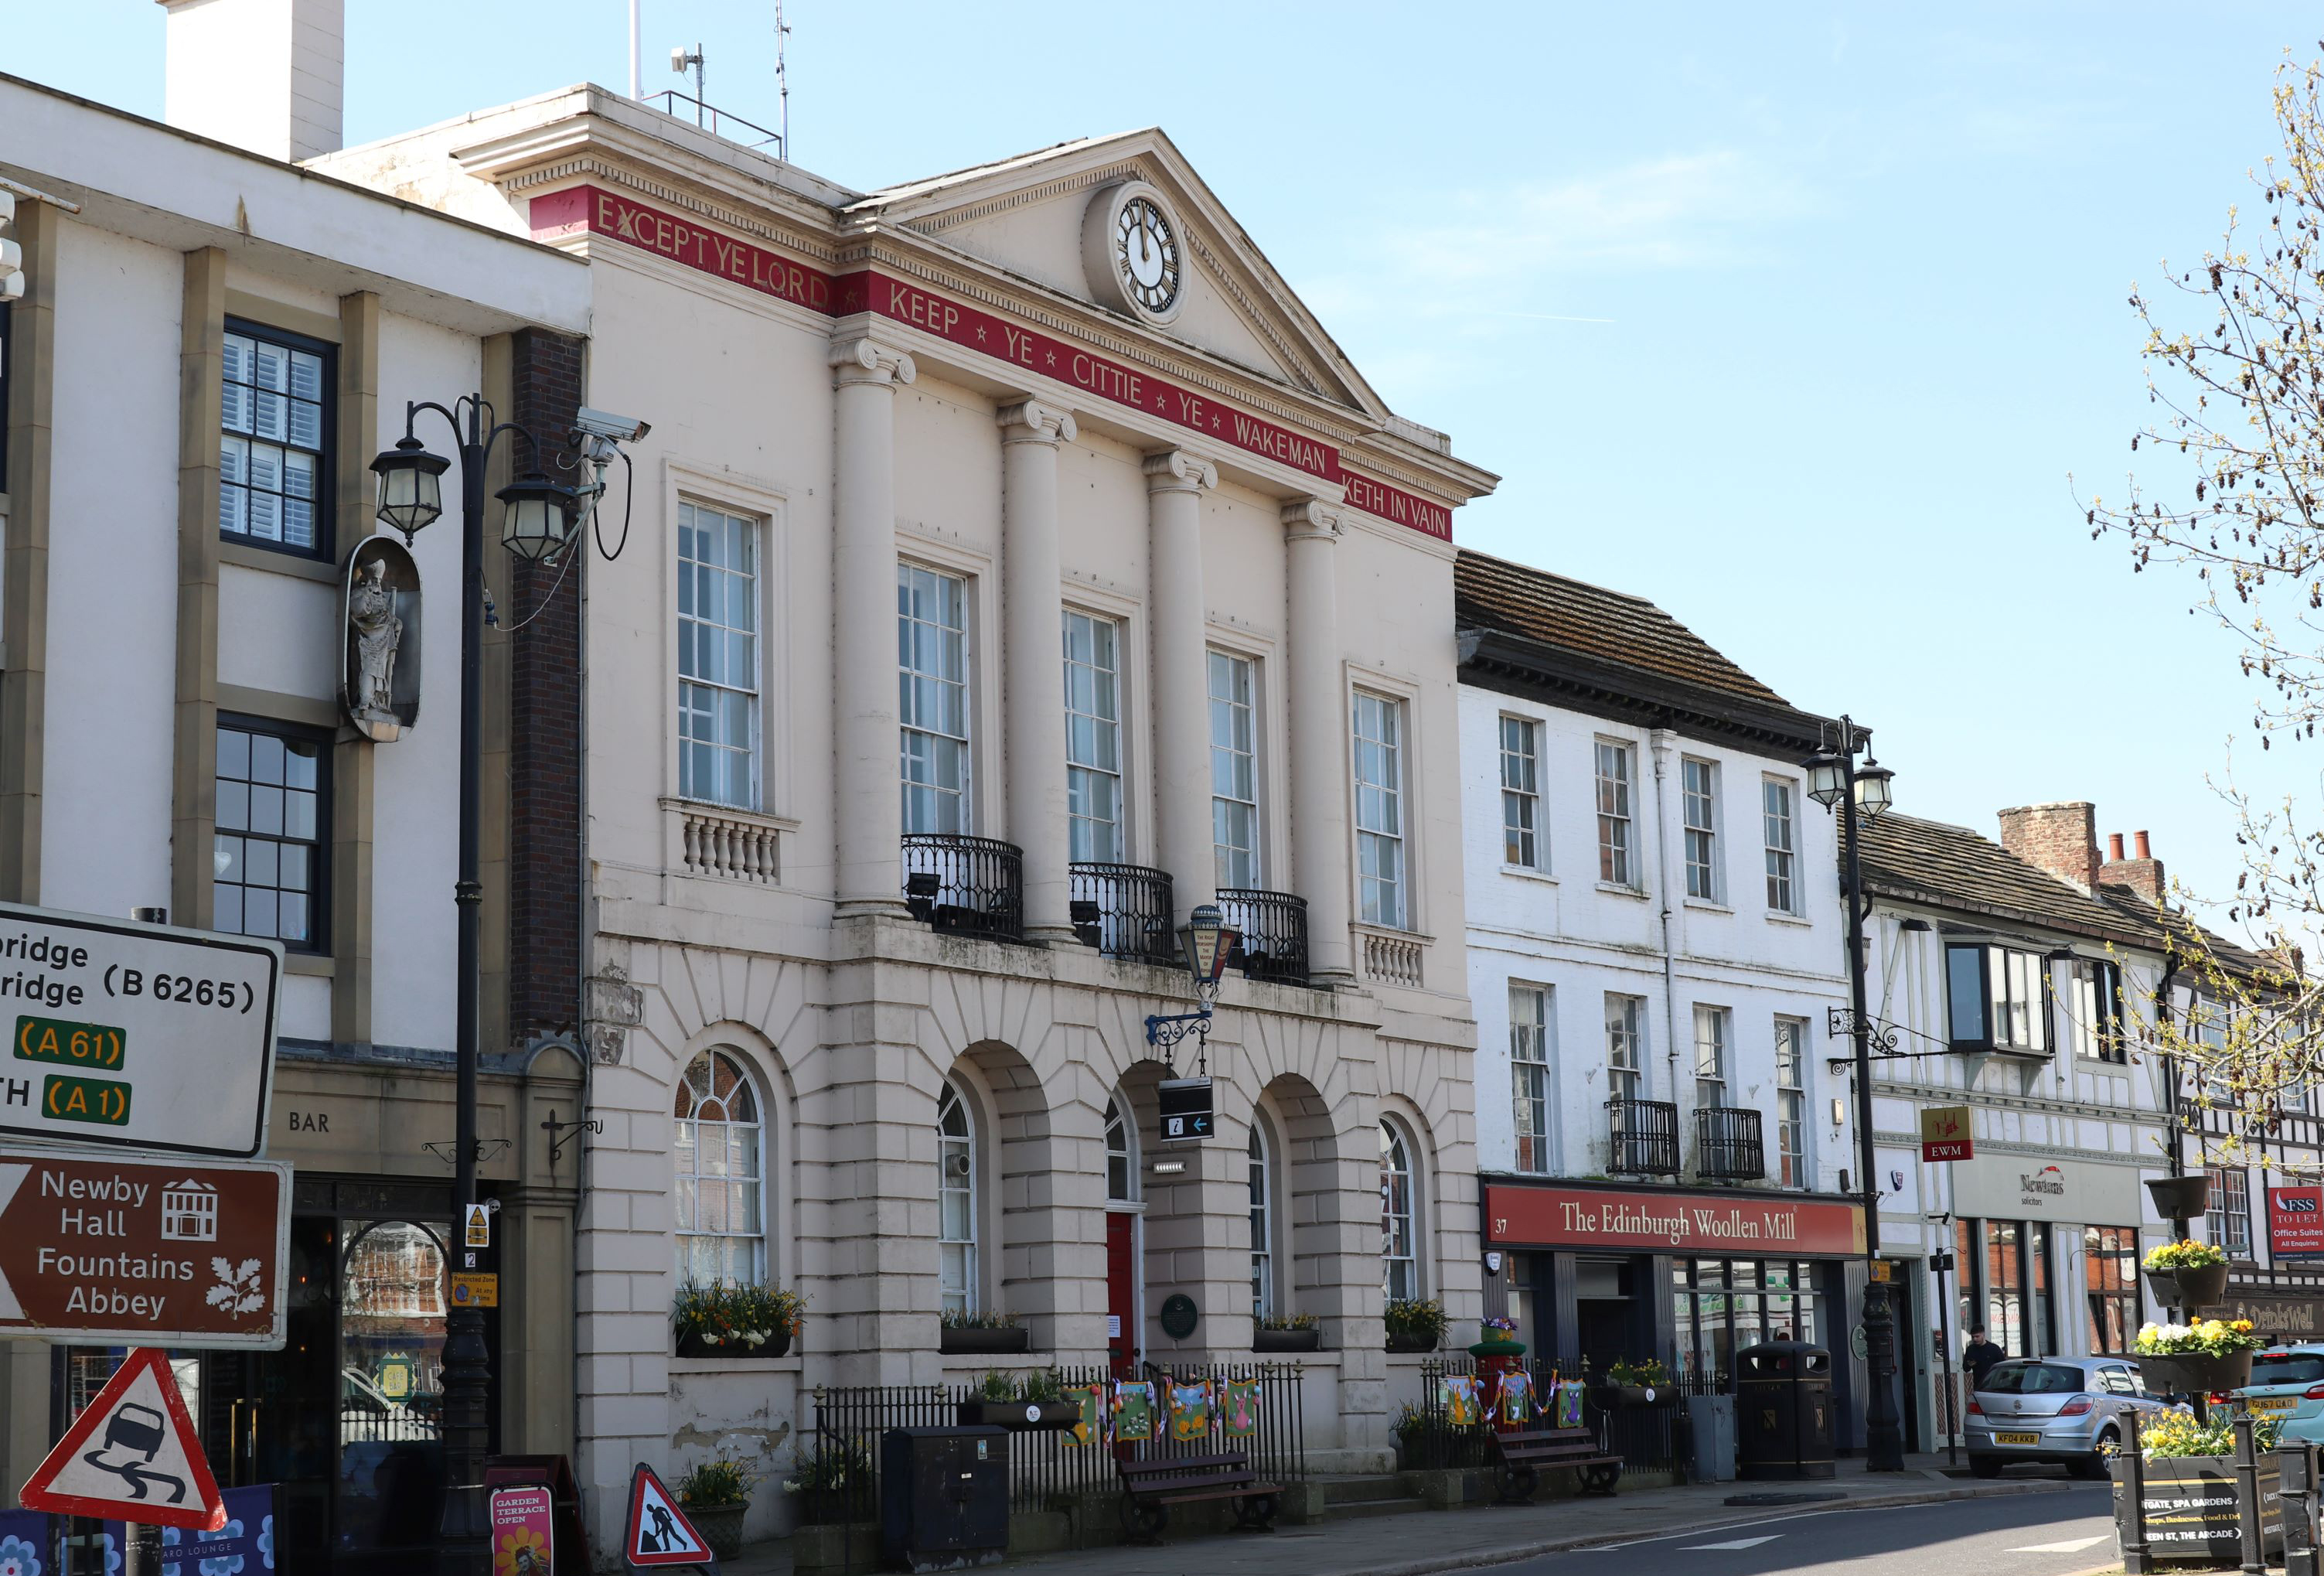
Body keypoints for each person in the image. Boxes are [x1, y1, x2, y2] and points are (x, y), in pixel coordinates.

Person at [1963, 1323, 2005, 1390]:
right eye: (1973, 1337)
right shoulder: (1971, 1349)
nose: (1975, 1339)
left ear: (1983, 1334)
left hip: (1994, 1385)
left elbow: (2003, 1366)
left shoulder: (1994, 1349)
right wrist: (1969, 1364)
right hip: (1979, 1385)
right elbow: (1965, 1368)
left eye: (1977, 1336)